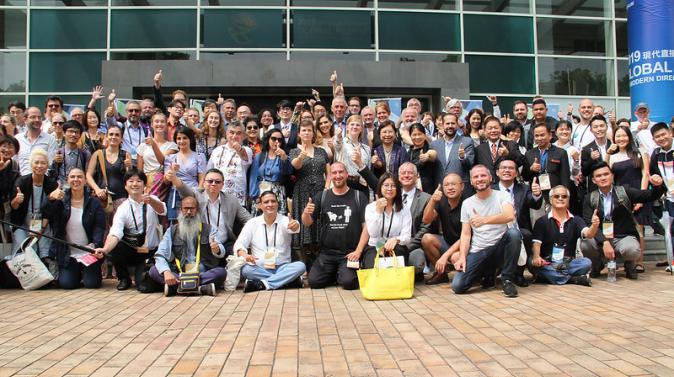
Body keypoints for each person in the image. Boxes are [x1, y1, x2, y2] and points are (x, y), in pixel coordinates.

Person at [581, 162, 665, 279]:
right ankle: (597, 264)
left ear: (612, 176)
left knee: (632, 250)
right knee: (585, 244)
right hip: (600, 237)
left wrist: (658, 186)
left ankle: (630, 264)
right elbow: (588, 222)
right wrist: (604, 242)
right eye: (599, 176)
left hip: (623, 236)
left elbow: (649, 196)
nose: (603, 178)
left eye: (606, 174)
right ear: (594, 180)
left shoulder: (625, 191)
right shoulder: (589, 198)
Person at [452, 165, 522, 297]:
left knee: (513, 234)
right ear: (471, 181)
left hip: (500, 247)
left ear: (490, 178)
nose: (480, 179)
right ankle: (487, 273)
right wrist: (462, 257)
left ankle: (507, 280)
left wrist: (484, 220)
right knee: (458, 286)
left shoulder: (502, 196)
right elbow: (466, 234)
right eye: (476, 177)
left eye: (483, 175)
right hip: (479, 250)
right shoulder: (467, 203)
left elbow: (509, 216)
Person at [95, 169, 167, 290]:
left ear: (144, 185)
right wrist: (105, 249)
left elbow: (162, 210)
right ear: (125, 186)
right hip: (133, 250)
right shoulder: (123, 208)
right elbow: (115, 233)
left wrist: (152, 201)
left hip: (151, 251)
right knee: (116, 246)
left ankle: (143, 274)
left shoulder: (152, 199)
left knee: (143, 286)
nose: (135, 184)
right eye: (131, 181)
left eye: (139, 181)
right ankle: (124, 278)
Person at [301, 162, 369, 290]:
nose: (338, 176)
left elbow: (366, 227)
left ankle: (341, 273)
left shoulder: (359, 196)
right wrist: (305, 213)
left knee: (349, 283)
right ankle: (335, 273)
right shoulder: (322, 196)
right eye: (334, 173)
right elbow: (307, 222)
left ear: (347, 174)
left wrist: (358, 251)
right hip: (327, 253)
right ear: (330, 176)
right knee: (314, 282)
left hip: (349, 253)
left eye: (341, 172)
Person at [150, 195, 226, 297]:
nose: (189, 212)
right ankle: (200, 288)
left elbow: (221, 251)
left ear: (197, 210)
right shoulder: (172, 231)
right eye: (186, 209)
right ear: (180, 210)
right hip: (180, 270)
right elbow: (160, 254)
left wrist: (217, 249)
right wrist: (166, 272)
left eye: (192, 209)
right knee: (154, 270)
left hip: (201, 271)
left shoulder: (208, 229)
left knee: (221, 272)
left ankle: (177, 287)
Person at [43, 168, 106, 289]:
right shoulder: (61, 200)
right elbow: (46, 211)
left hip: (88, 252)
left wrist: (96, 245)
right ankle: (76, 272)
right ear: (67, 180)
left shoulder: (94, 202)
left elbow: (99, 227)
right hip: (68, 254)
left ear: (85, 181)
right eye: (72, 177)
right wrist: (50, 198)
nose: (76, 180)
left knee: (92, 284)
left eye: (79, 177)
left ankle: (88, 273)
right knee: (67, 284)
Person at [234, 191, 306, 292]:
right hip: (260, 268)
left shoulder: (286, 220)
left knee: (300, 266)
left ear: (278, 204)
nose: (270, 204)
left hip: (282, 267)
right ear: (260, 205)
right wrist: (245, 255)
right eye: (266, 202)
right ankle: (287, 281)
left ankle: (262, 284)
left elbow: (294, 227)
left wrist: (296, 225)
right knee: (245, 270)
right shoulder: (252, 223)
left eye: (273, 201)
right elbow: (239, 244)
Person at [531, 185, 598, 286]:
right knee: (532, 263)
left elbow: (588, 234)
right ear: (550, 199)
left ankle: (551, 276)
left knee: (586, 263)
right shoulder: (542, 221)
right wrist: (536, 257)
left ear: (568, 199)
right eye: (556, 196)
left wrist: (594, 225)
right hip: (547, 262)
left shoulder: (576, 220)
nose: (560, 198)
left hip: (568, 263)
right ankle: (574, 279)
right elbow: (536, 243)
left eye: (564, 196)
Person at [168, 168, 251, 250]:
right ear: (204, 183)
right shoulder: (196, 196)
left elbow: (248, 220)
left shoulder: (231, 200)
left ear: (222, 185)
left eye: (217, 182)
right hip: (202, 244)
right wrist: (174, 178)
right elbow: (183, 189)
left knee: (239, 259)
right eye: (210, 181)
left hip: (226, 243)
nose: (213, 184)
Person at [607, 125, 650, 273]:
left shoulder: (639, 153)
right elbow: (607, 175)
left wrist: (641, 197)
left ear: (629, 137)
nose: (621, 139)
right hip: (621, 197)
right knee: (622, 227)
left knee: (639, 228)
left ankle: (639, 261)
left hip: (637, 192)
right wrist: (607, 153)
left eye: (624, 135)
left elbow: (646, 174)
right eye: (617, 136)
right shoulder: (612, 157)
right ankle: (625, 261)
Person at [290, 120, 331, 270]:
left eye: (309, 130)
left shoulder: (321, 151)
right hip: (302, 192)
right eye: (304, 130)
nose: (306, 133)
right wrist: (302, 155)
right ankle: (305, 265)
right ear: (299, 133)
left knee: (319, 224)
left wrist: (327, 187)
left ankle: (320, 262)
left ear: (313, 133)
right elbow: (296, 165)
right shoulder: (294, 151)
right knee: (304, 226)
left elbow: (329, 171)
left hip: (320, 191)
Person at [495, 158, 543, 286]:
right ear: (497, 172)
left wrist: (536, 195)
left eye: (511, 168)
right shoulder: (490, 190)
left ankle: (518, 273)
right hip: (495, 229)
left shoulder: (524, 189)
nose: (507, 170)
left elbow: (534, 204)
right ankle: (491, 272)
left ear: (516, 173)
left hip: (518, 229)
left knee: (525, 234)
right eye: (503, 168)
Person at [10, 148, 62, 259]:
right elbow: (14, 207)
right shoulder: (22, 182)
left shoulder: (51, 184)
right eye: (36, 162)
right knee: (25, 251)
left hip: (44, 223)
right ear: (31, 164)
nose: (39, 166)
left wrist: (41, 229)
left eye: (43, 163)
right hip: (22, 223)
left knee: (46, 252)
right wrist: (16, 200)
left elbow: (50, 211)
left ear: (47, 165)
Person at [416, 173, 464, 285]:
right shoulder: (441, 200)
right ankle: (441, 273)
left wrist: (445, 256)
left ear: (462, 186)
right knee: (426, 239)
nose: (450, 187)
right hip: (448, 242)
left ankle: (472, 276)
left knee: (455, 257)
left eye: (453, 184)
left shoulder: (467, 202)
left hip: (465, 245)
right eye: (446, 185)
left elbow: (466, 237)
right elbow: (426, 220)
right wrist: (432, 200)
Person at [361, 174, 412, 268]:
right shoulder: (371, 207)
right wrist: (378, 212)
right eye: (386, 185)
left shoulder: (404, 209)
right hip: (375, 246)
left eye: (393, 185)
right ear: (380, 187)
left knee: (399, 252)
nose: (389, 189)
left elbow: (407, 236)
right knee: (372, 267)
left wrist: (396, 239)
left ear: (397, 189)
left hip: (395, 247)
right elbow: (373, 233)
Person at [86, 125, 131, 216]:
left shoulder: (125, 155)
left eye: (117, 135)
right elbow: (88, 175)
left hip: (121, 198)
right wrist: (97, 189)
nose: (113, 137)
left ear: (121, 138)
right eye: (111, 134)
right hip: (102, 198)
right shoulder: (98, 154)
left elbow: (129, 177)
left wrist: (129, 167)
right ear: (106, 136)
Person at [164, 127, 206, 220]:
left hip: (193, 192)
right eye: (179, 138)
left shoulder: (199, 157)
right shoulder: (170, 158)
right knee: (175, 224)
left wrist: (198, 196)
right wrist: (172, 172)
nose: (181, 141)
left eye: (185, 138)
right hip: (175, 193)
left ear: (190, 139)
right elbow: (166, 181)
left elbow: (202, 179)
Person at [208, 121, 252, 207]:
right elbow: (208, 171)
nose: (234, 136)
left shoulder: (247, 150)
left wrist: (239, 149)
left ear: (243, 136)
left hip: (237, 198)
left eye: (238, 133)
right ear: (226, 134)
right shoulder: (217, 150)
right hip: (217, 195)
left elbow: (245, 157)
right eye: (231, 133)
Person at [522, 123, 570, 202]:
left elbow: (565, 179)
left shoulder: (561, 153)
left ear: (550, 135)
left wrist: (565, 198)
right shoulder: (529, 154)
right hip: (536, 195)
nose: (539, 138)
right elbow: (525, 177)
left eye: (542, 135)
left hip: (556, 196)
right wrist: (531, 169)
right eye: (536, 136)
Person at [248, 128, 291, 215]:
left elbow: (288, 172)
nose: (276, 142)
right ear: (268, 139)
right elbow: (253, 177)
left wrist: (284, 158)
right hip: (261, 193)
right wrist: (255, 196)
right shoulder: (259, 156)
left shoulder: (284, 156)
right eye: (273, 139)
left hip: (278, 194)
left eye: (280, 140)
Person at [430, 113, 475, 191]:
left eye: (453, 123)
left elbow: (470, 164)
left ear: (457, 125)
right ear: (443, 125)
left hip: (461, 189)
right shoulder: (434, 145)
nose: (450, 126)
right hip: (440, 189)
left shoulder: (467, 141)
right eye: (447, 123)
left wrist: (462, 157)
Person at [136, 112, 178, 188]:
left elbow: (163, 161)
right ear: (152, 124)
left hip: (163, 182)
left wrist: (153, 145)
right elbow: (140, 171)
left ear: (166, 125)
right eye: (156, 121)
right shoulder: (142, 146)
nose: (159, 124)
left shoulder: (172, 146)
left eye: (162, 122)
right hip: (147, 182)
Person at [335, 115, 371, 196]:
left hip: (363, 186)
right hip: (346, 184)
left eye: (358, 125)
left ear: (361, 128)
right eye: (352, 124)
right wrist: (338, 135)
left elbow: (368, 170)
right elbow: (337, 144)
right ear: (347, 127)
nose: (355, 127)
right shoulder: (342, 143)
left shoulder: (366, 148)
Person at [16, 107, 57, 176]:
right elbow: (15, 163)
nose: (37, 120)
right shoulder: (18, 139)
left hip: (42, 181)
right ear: (25, 119)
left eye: (39, 117)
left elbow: (50, 164)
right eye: (33, 117)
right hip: (21, 181)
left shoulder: (50, 139)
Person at [49, 120, 90, 186]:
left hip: (79, 189)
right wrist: (54, 162)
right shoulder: (57, 153)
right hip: (61, 190)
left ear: (80, 135)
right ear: (64, 133)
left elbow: (88, 175)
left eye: (76, 132)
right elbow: (50, 173)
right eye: (71, 131)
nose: (73, 134)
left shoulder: (85, 154)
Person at [408, 123, 437, 194]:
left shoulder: (429, 148)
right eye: (414, 135)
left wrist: (427, 156)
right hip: (412, 189)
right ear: (410, 136)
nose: (417, 137)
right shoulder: (409, 151)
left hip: (428, 190)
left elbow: (433, 154)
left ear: (424, 135)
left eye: (420, 134)